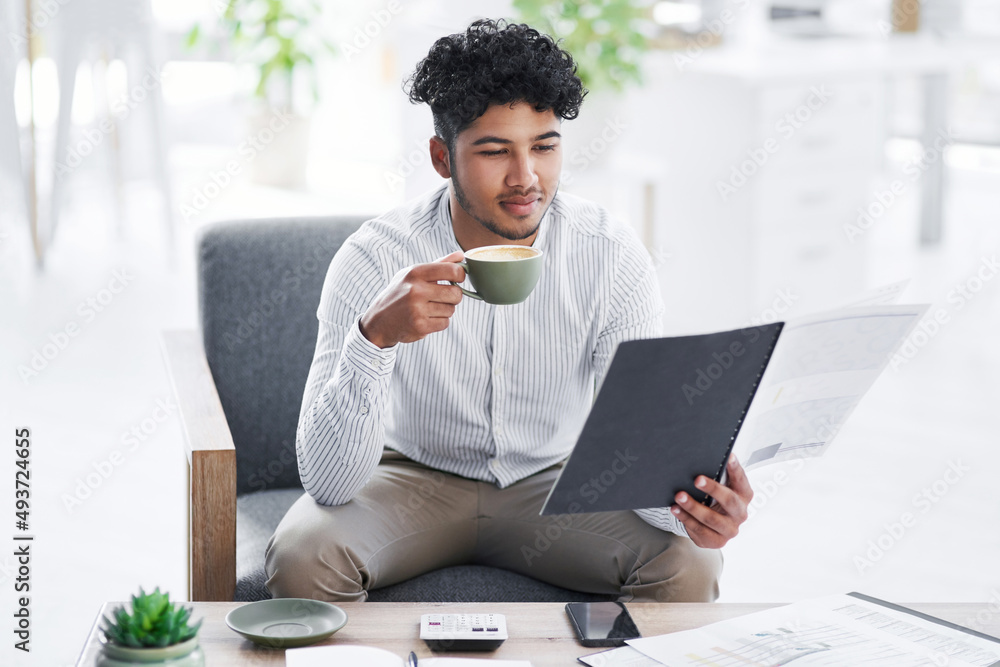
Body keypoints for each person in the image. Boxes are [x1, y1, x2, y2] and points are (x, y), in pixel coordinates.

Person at [265, 18, 753, 603]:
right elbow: (329, 483)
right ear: (442, 158)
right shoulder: (374, 259)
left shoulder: (610, 255)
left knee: (692, 562)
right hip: (414, 477)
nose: (526, 179)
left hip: (558, 482)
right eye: (495, 151)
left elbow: (640, 449)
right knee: (303, 555)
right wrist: (373, 339)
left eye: (544, 147)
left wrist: (696, 510)